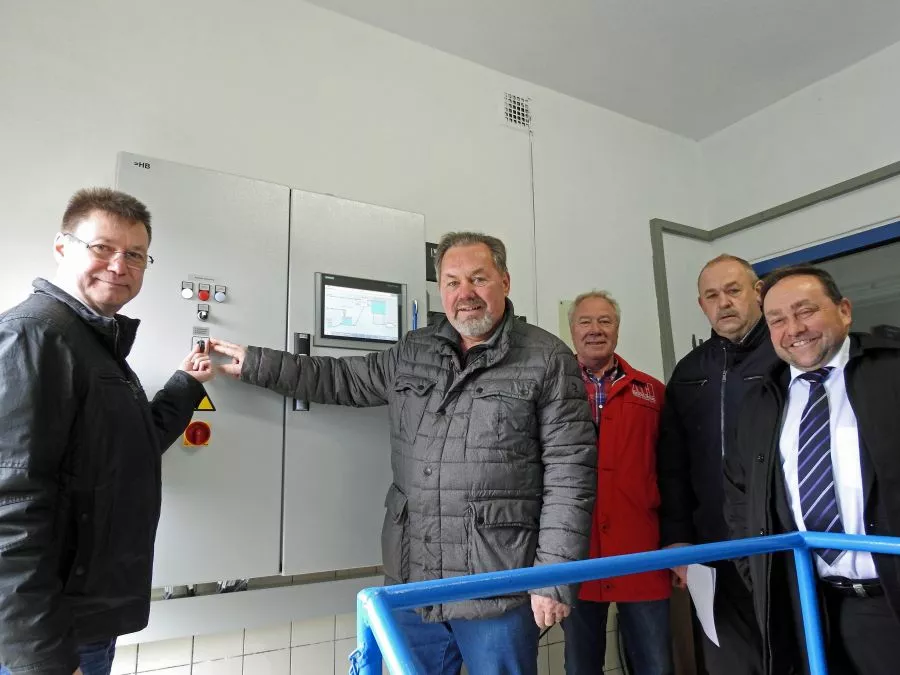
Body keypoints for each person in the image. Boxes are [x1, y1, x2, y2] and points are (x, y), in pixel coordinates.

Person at [211, 231, 596, 674]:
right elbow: (341, 379)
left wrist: (552, 577)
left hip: (498, 582)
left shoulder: (548, 358)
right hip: (415, 579)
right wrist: (255, 363)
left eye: (478, 279)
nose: (465, 294)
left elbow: (571, 474)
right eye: (452, 282)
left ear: (505, 282)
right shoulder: (415, 350)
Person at [0, 188, 213, 675]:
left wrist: (186, 385)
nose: (119, 266)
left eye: (135, 255)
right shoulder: (34, 336)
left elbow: (128, 448)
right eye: (102, 247)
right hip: (52, 637)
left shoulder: (91, 341)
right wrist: (41, 656)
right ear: (62, 247)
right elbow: (9, 505)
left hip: (84, 622)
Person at [724, 264, 900, 675]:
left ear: (844, 310)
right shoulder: (760, 402)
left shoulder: (891, 374)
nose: (794, 329)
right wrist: (763, 578)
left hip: (890, 600)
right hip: (810, 607)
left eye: (805, 311)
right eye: (777, 320)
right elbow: (739, 501)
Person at [656, 254, 778, 675]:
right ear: (701, 305)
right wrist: (676, 538)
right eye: (711, 295)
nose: (723, 303)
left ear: (758, 293)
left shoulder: (785, 355)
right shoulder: (689, 372)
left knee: (793, 653)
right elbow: (672, 465)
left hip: (779, 544)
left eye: (733, 290)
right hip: (712, 549)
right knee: (728, 661)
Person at [561, 291, 673, 675]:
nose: (595, 329)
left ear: (618, 329)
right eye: (585, 321)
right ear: (572, 330)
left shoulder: (652, 392)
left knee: (655, 663)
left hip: (641, 549)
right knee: (581, 665)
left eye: (605, 321)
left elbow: (672, 471)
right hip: (575, 552)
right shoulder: (552, 390)